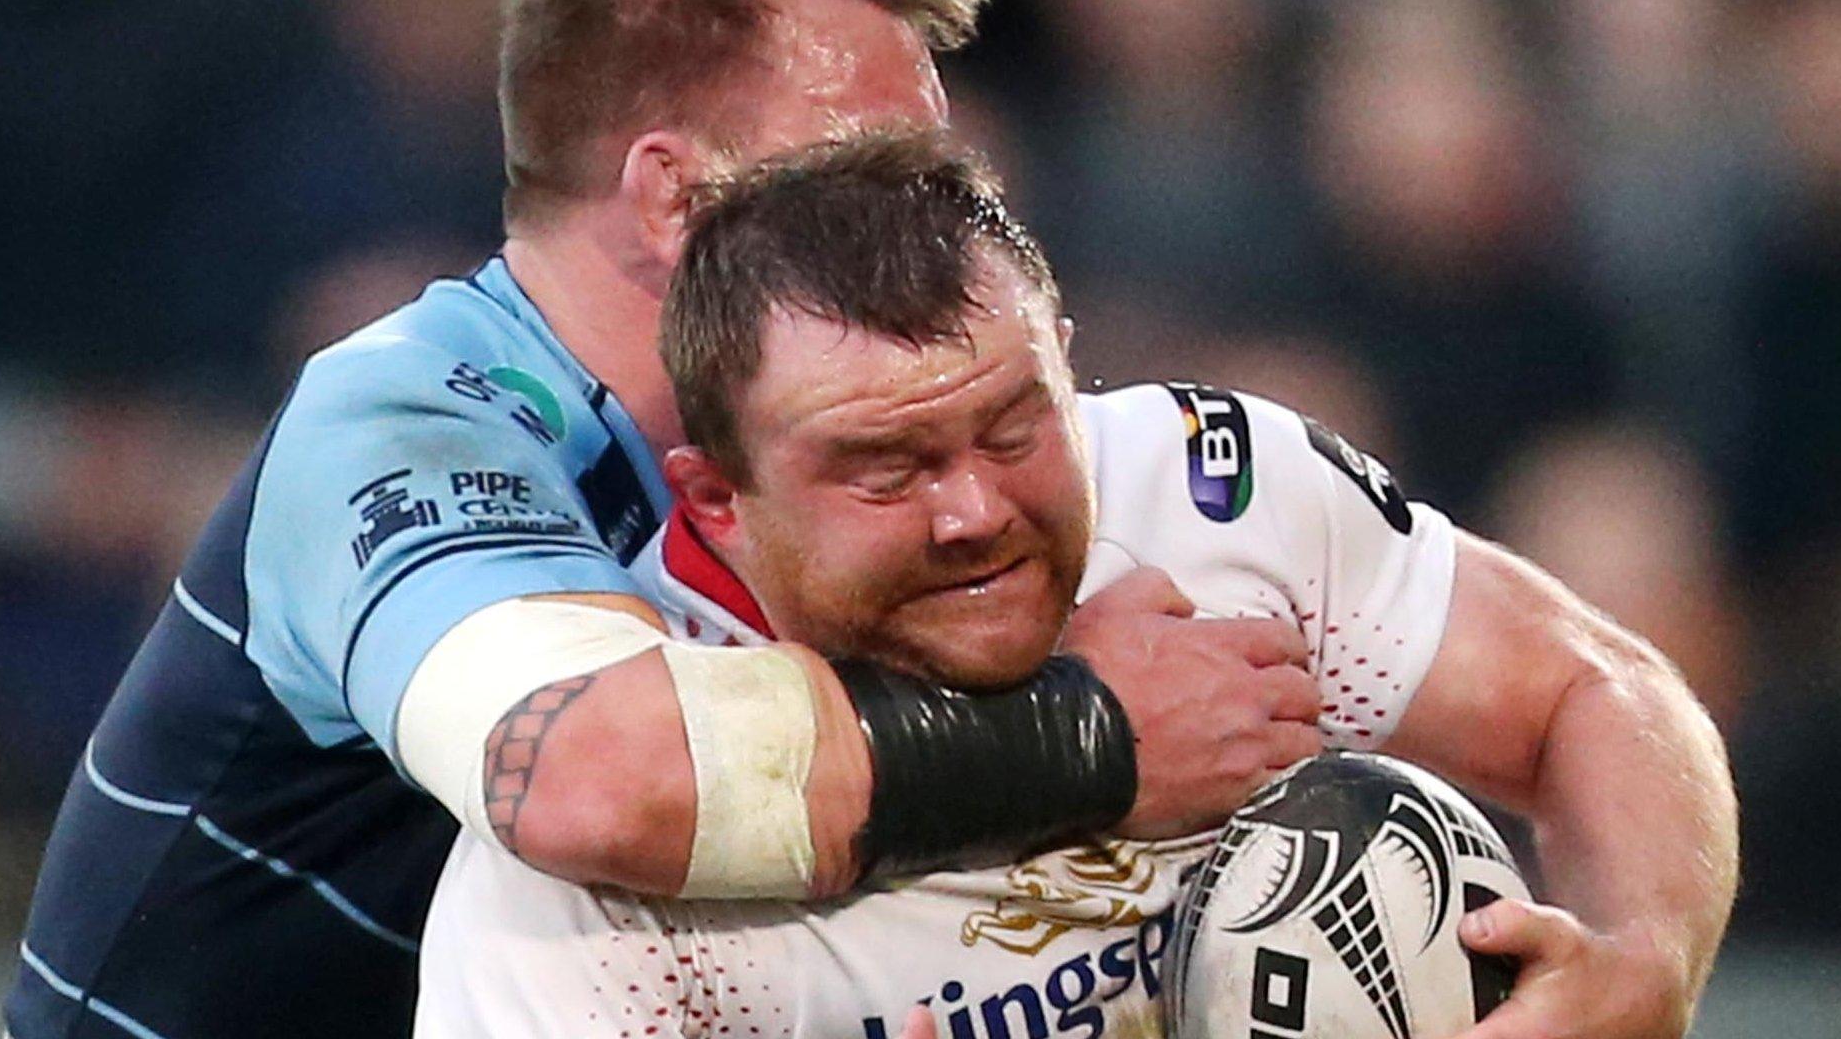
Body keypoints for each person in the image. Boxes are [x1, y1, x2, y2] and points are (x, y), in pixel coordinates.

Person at [5, 0, 1321, 1037]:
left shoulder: (858, 454)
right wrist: (1089, 731)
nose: (940, 219)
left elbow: (1535, 688)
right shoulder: (402, 421)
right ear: (678, 198)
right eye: (880, 168)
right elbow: (581, 776)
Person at [416, 132, 1739, 1039]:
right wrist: (1086, 739)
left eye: (1012, 427)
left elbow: (1592, 688)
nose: (975, 511)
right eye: (883, 470)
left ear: (1064, 361)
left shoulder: (1210, 492)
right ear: (716, 498)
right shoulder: (592, 881)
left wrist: (1646, 963)